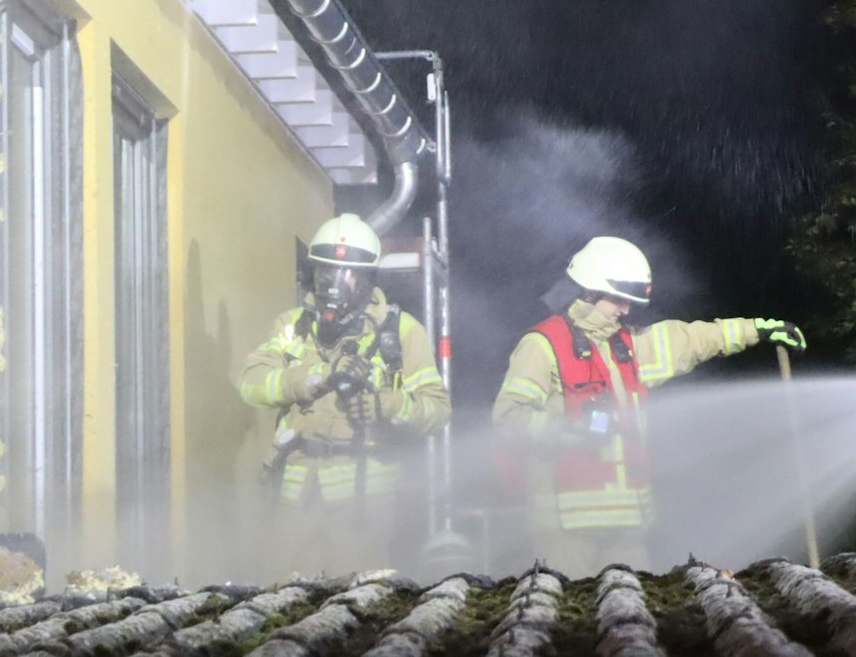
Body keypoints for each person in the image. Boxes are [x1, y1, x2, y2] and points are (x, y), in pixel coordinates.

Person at [491, 235, 806, 577]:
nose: (626, 310)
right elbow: (508, 419)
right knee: (570, 623)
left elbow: (694, 339)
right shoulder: (542, 345)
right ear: (589, 290)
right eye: (618, 300)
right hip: (565, 532)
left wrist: (759, 330)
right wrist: (572, 429)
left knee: (632, 618)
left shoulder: (629, 345)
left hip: (626, 528)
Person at [238, 213, 449, 570]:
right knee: (277, 597)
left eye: (346, 275)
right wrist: (315, 377)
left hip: (361, 505)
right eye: (325, 273)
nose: (333, 286)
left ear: (368, 280)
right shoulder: (293, 326)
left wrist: (385, 405)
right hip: (291, 499)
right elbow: (251, 384)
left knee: (354, 605)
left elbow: (437, 411)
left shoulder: (399, 333)